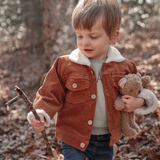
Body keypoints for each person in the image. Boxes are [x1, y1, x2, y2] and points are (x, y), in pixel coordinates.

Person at [27, 0, 158, 159]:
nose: (84, 42)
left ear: (112, 36)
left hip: (106, 140)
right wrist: (40, 113)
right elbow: (50, 93)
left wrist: (140, 101)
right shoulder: (65, 64)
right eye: (80, 35)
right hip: (73, 137)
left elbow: (141, 88)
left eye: (93, 36)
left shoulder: (124, 66)